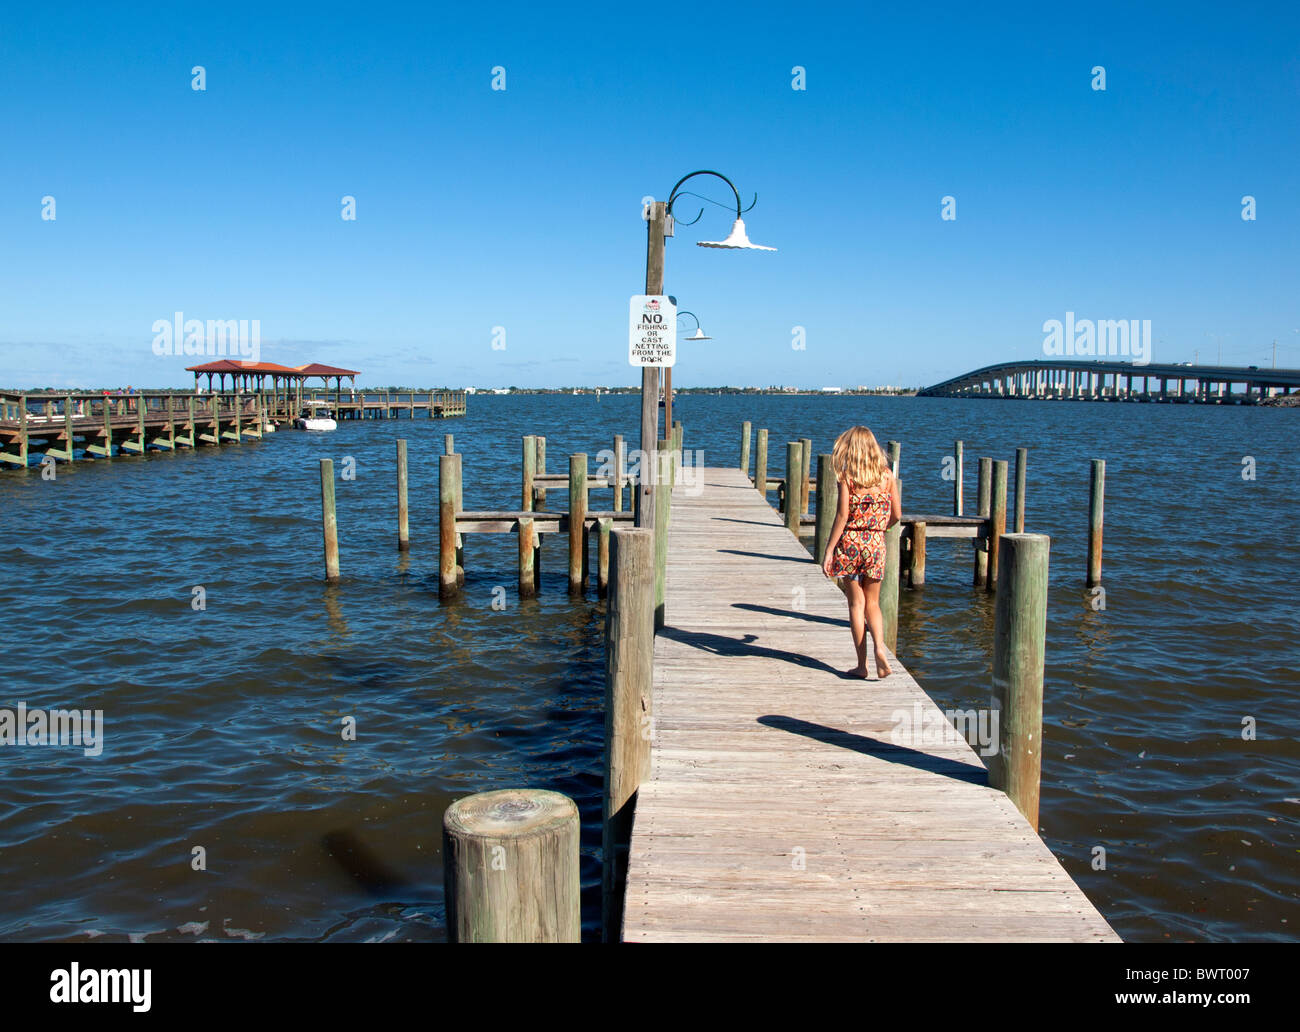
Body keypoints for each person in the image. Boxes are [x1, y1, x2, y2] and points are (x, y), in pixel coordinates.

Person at [820, 425, 902, 679]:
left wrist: (829, 550)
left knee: (856, 605)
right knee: (873, 603)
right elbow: (897, 514)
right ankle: (880, 648)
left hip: (851, 545)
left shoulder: (848, 477)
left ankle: (862, 665)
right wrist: (879, 529)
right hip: (875, 544)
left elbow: (842, 516)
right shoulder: (887, 476)